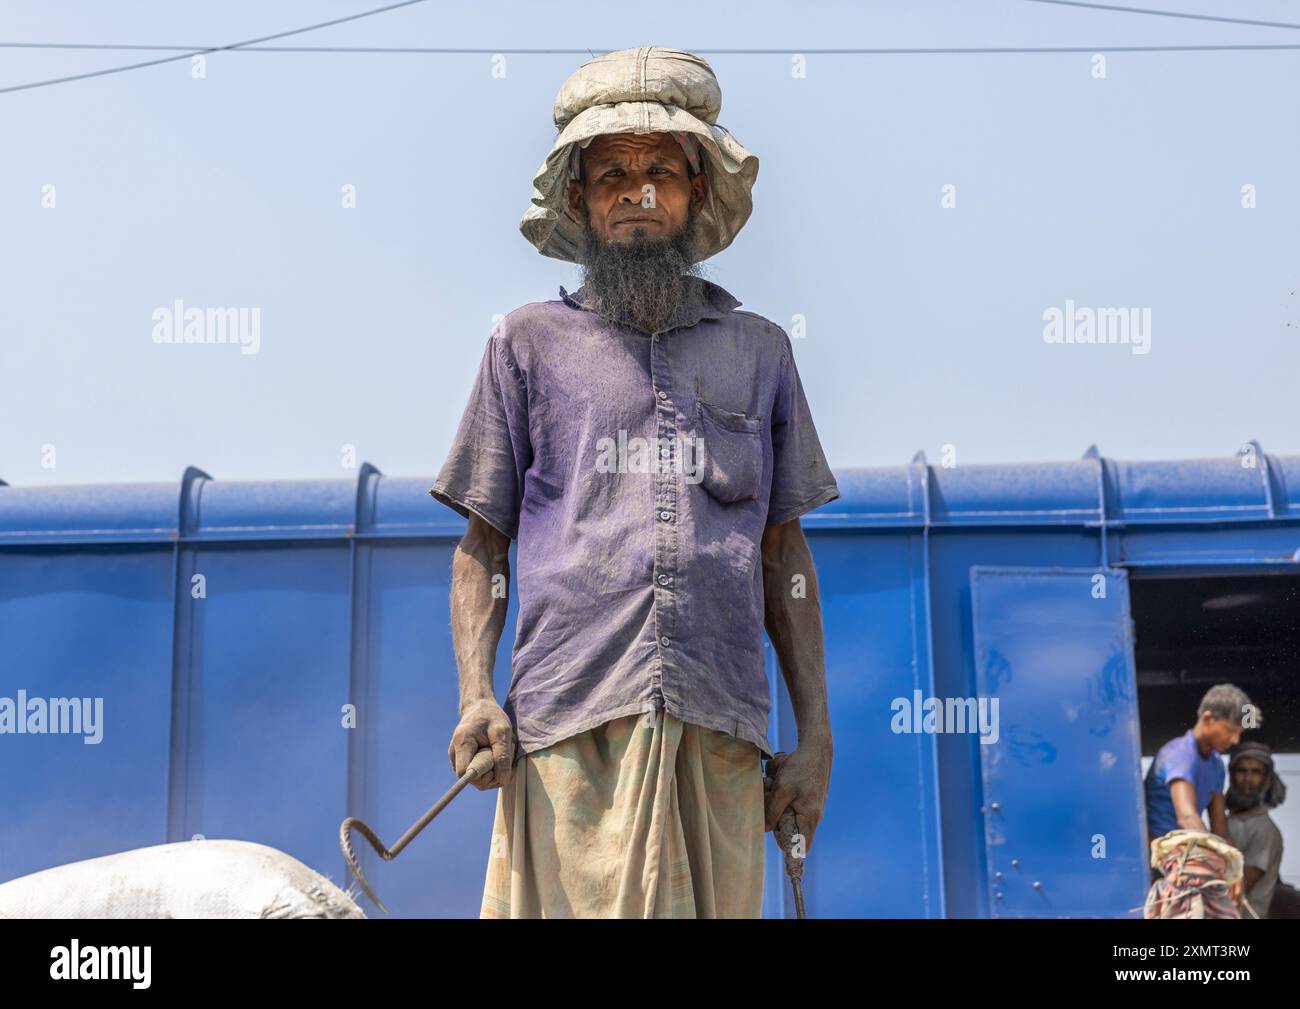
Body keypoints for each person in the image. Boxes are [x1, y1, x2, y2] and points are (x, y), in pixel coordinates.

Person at [429, 47, 840, 918]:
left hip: (720, 730)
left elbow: (784, 553)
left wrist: (817, 739)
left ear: (697, 192)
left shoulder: (760, 352)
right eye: (611, 171)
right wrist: (475, 695)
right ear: (577, 198)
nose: (638, 189)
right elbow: (482, 544)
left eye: (661, 169)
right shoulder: (523, 345)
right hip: (567, 734)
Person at [1226, 740, 1286, 918]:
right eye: (1242, 771)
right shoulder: (1226, 821)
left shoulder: (1265, 830)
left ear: (1267, 780)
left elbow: (1238, 887)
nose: (1248, 779)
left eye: (1256, 772)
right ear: (1232, 776)